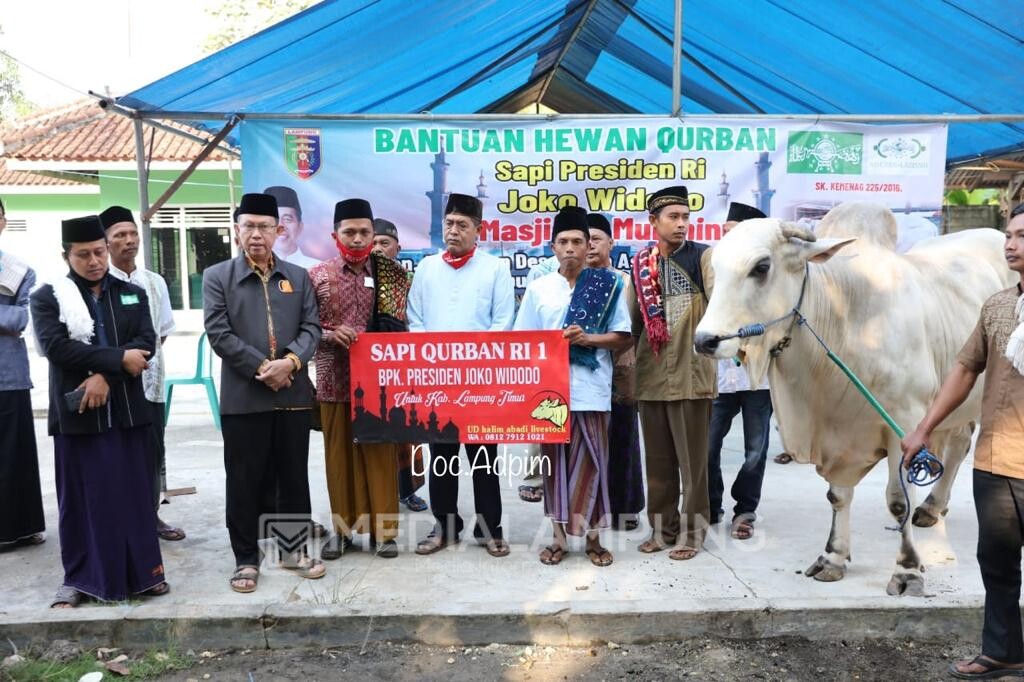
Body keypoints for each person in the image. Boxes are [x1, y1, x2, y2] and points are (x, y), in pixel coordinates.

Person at [901, 203, 1024, 680]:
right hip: (996, 459)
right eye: (1008, 235)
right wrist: (926, 425)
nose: (1010, 244)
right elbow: (965, 367)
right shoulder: (996, 306)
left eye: (1020, 236)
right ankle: (1003, 653)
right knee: (996, 565)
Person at [31, 215, 167, 607]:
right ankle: (80, 579)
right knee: (83, 501)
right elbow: (57, 348)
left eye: (99, 252)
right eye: (83, 254)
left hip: (127, 410)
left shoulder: (131, 292)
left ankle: (146, 574)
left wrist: (107, 375)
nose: (94, 261)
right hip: (79, 414)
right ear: (66, 255)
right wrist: (116, 360)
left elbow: (145, 344)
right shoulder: (48, 297)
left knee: (135, 497)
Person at [203, 192, 324, 593]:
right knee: (244, 478)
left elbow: (312, 329)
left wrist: (289, 363)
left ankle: (292, 551)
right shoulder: (217, 277)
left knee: (293, 477)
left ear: (279, 230)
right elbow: (219, 333)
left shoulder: (298, 277)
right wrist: (261, 368)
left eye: (265, 227)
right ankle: (246, 558)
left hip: (292, 395)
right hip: (244, 397)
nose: (257, 234)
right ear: (236, 231)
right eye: (249, 226)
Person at [515, 206, 631, 566]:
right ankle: (559, 538)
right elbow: (523, 341)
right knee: (554, 467)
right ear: (552, 247)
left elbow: (623, 337)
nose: (570, 248)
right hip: (550, 394)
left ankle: (594, 539)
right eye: (563, 242)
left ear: (588, 246)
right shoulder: (539, 290)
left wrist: (588, 339)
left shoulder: (606, 286)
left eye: (577, 241)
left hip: (593, 390)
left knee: (594, 463)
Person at [407, 193, 515, 557]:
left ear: (478, 230)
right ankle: (445, 526)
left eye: (462, 225)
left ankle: (490, 529)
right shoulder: (426, 268)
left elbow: (503, 323)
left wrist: (471, 362)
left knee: (484, 457)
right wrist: (438, 360)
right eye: (449, 223)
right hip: (437, 381)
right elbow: (416, 320)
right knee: (442, 457)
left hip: (482, 382)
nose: (453, 231)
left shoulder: (495, 269)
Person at [311, 200, 410, 560]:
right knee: (339, 458)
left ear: (374, 234)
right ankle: (342, 531)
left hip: (378, 386)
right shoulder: (318, 275)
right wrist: (328, 334)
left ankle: (385, 533)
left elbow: (403, 329)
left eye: (364, 232)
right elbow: (306, 327)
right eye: (349, 232)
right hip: (333, 378)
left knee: (381, 456)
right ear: (335, 234)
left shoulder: (393, 276)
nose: (356, 239)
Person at [629, 185, 716, 561]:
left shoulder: (703, 258)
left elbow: (719, 312)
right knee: (658, 463)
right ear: (654, 221)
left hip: (691, 376)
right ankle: (661, 530)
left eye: (685, 217)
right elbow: (631, 324)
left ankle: (693, 534)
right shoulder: (641, 264)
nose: (682, 224)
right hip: (651, 377)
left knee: (693, 465)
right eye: (673, 217)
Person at [101, 205, 185, 542]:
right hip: (108, 384)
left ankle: (151, 516)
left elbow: (161, 331)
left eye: (132, 233)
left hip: (149, 385)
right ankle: (118, 520)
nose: (129, 241)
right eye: (119, 235)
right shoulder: (99, 283)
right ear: (106, 243)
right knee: (113, 452)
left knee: (151, 451)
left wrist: (142, 357)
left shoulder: (154, 282)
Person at [706, 202, 773, 540]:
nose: (725, 239)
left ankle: (745, 510)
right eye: (724, 232)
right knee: (706, 444)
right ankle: (710, 504)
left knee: (755, 450)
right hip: (719, 376)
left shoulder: (765, 280)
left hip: (757, 377)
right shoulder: (716, 272)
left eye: (734, 233)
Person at [585, 212, 645, 531]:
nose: (591, 244)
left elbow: (637, 326)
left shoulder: (625, 281)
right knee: (586, 442)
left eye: (597, 238)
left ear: (611, 242)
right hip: (582, 374)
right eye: (586, 239)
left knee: (623, 437)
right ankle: (589, 505)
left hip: (621, 370)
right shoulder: (574, 281)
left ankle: (626, 506)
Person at [372, 217, 427, 513]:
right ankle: (378, 492)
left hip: (406, 364)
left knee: (409, 431)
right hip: (369, 368)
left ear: (398, 248)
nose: (378, 249)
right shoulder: (358, 280)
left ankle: (409, 491)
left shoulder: (409, 282)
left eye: (385, 243)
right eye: (374, 243)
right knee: (373, 429)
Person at [0, 198, 45, 550]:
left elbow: (21, 320)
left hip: (9, 375)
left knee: (15, 455)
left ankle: (21, 528)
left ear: (3, 222)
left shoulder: (19, 270)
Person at [265, 185, 319, 268]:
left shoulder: (317, 269)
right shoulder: (251, 269)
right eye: (274, 219)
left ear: (300, 227)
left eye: (287, 219)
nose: (280, 226)